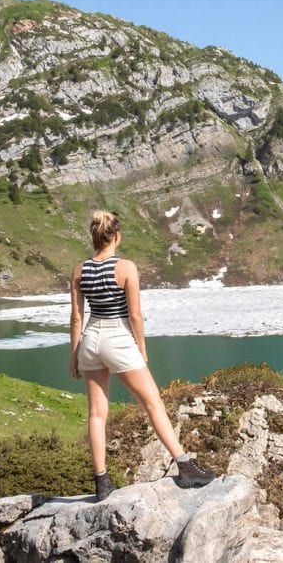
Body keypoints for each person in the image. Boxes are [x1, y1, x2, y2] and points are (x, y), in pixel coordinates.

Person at [69, 210, 215, 501]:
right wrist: (142, 348)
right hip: (118, 338)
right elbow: (135, 314)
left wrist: (74, 357)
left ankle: (101, 482)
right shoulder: (125, 267)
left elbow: (76, 318)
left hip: (90, 340)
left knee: (97, 413)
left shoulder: (79, 270)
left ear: (95, 236)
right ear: (117, 236)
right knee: (152, 403)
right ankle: (185, 466)